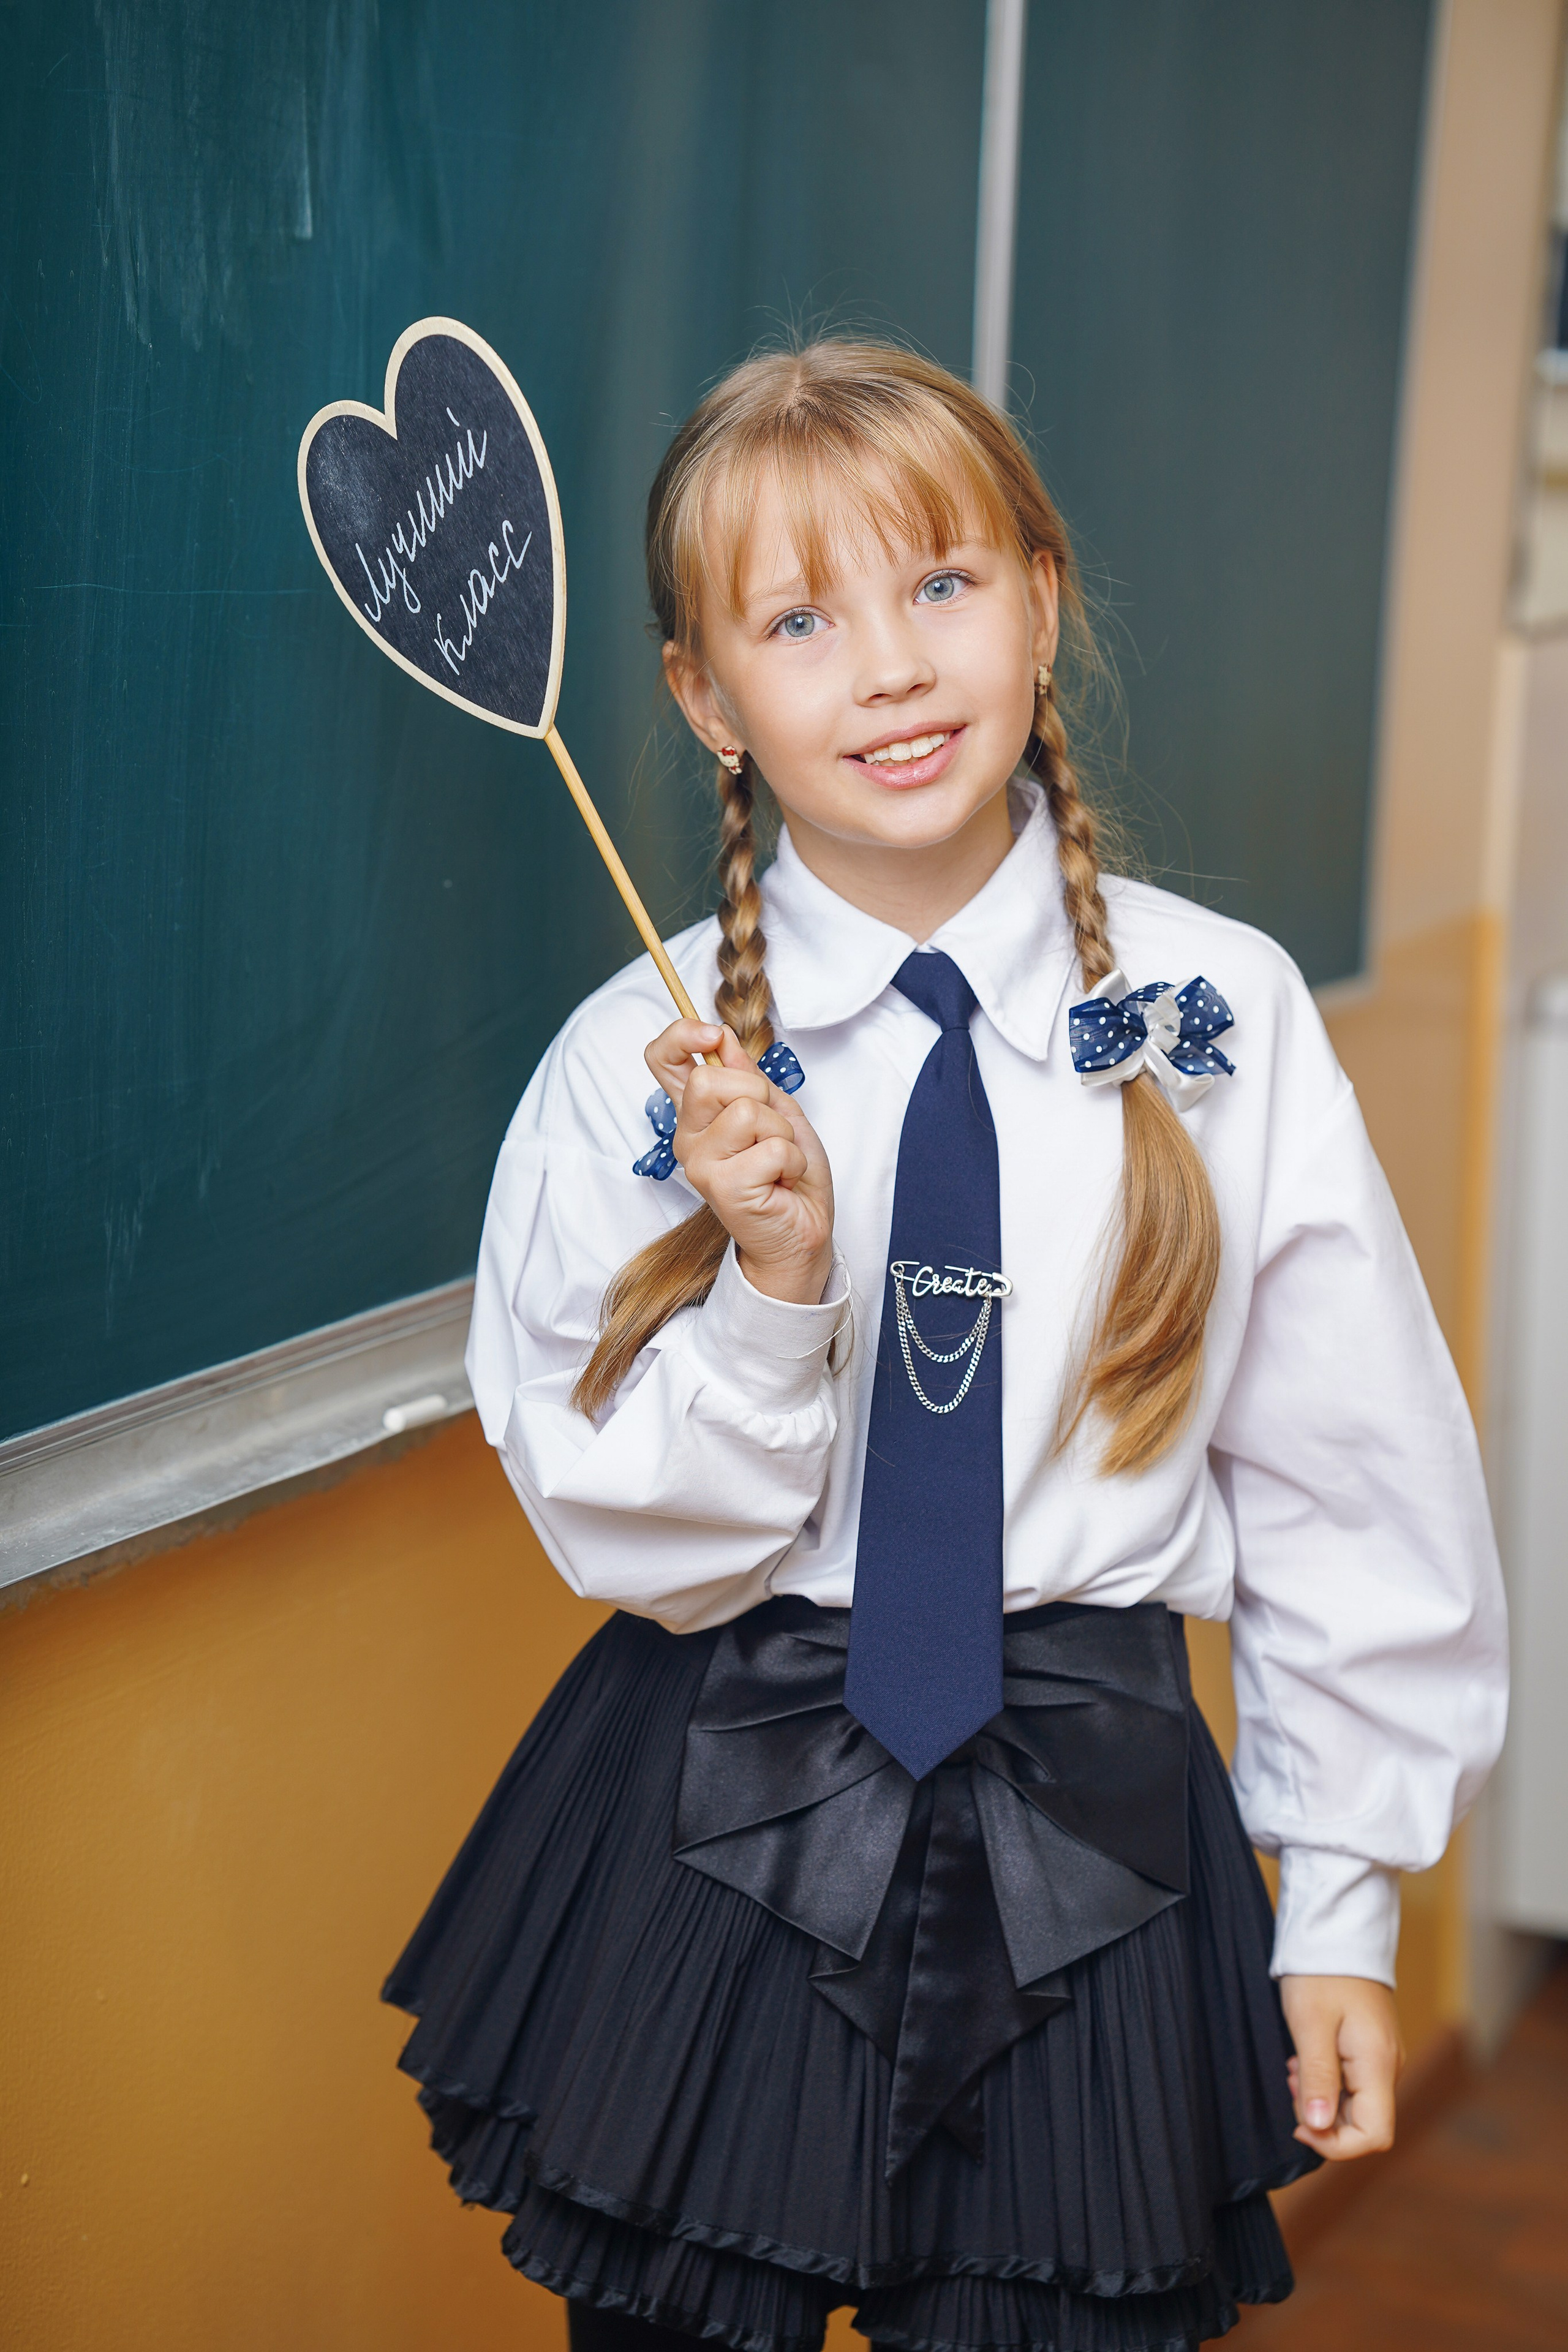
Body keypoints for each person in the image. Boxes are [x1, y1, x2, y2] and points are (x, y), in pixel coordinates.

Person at [384, 340, 1506, 2352]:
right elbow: (634, 1539)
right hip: (721, 1804)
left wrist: (1339, 1901)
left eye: (941, 586)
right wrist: (779, 1279)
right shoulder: (633, 1074)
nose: (888, 669)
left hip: (1106, 1826)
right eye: (800, 622)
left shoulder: (1217, 1010)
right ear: (706, 703)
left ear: (1044, 604)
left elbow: (1355, 1480)